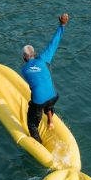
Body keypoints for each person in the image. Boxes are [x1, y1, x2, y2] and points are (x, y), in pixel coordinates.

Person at [21, 13, 69, 143]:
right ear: (34, 54)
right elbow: (54, 42)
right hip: (54, 96)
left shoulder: (24, 70)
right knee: (47, 101)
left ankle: (39, 145)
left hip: (39, 101)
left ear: (24, 57)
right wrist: (62, 25)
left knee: (31, 123)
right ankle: (50, 120)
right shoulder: (44, 59)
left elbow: (33, 86)